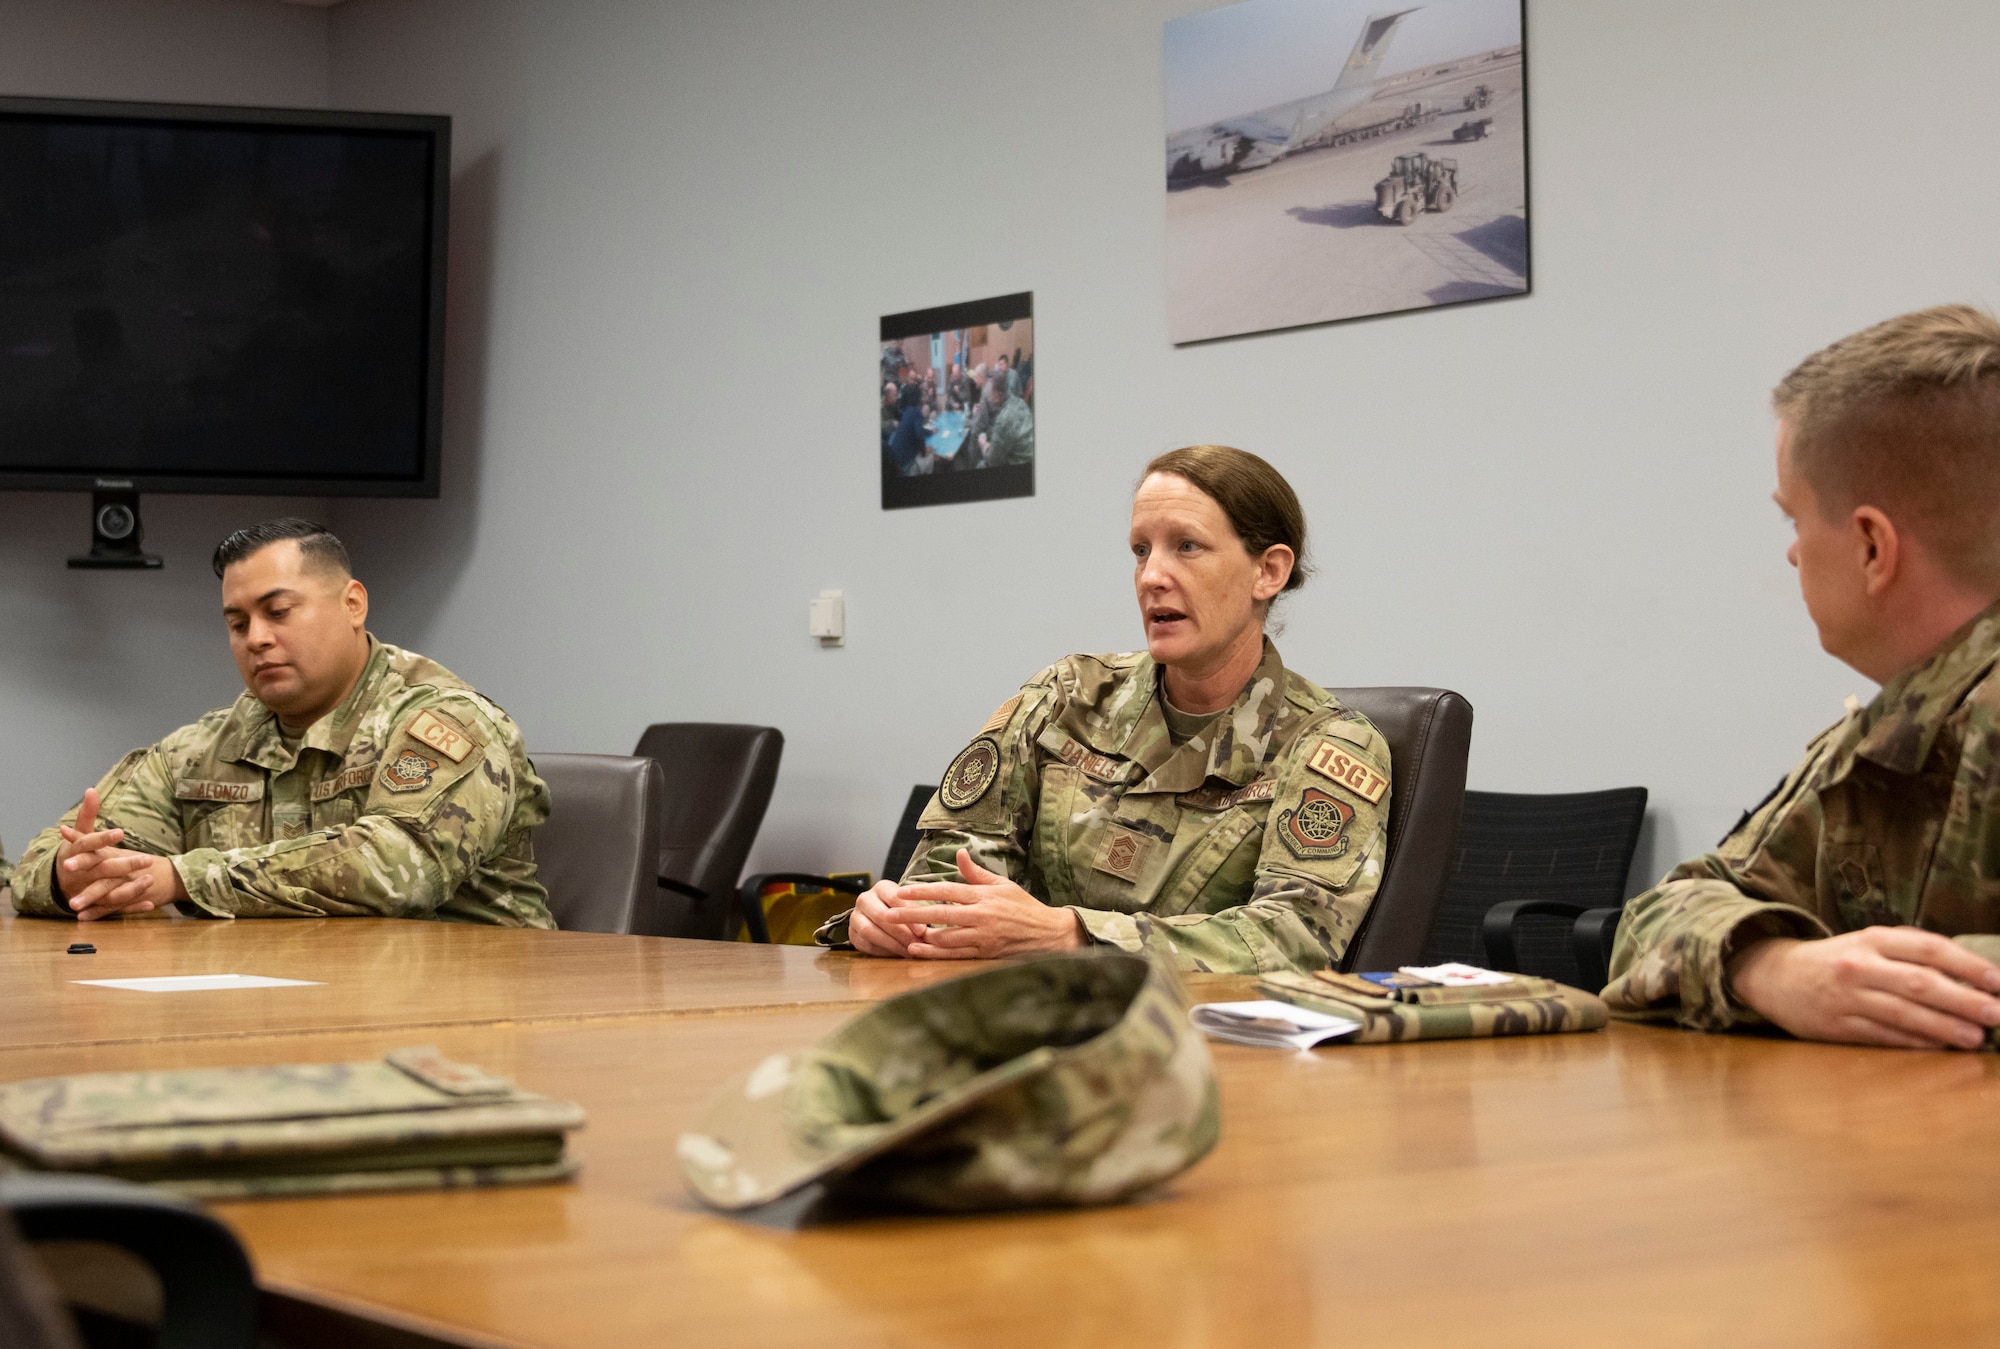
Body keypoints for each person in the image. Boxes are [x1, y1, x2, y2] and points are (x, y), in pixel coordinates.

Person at [816, 444, 1392, 973]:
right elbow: (951, 872)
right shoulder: (1064, 697)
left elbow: (1292, 939)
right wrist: (897, 919)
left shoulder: (1329, 746)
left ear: (1268, 571)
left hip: (1208, 1053)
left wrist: (1074, 935)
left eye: (1186, 547)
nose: (1152, 576)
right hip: (1021, 1031)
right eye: (1141, 550)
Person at [1604, 304, 2000, 1048]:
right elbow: (1665, 910)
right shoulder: (1895, 726)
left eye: (1795, 520)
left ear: (1871, 547)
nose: (1791, 556)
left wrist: (1914, 986)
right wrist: (1773, 965)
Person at [8, 519, 554, 927]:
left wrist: (184, 877)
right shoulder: (199, 751)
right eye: (238, 622)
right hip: (284, 1001)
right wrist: (70, 876)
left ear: (353, 603)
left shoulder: (443, 722)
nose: (256, 638)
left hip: (465, 1008)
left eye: (278, 611)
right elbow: (35, 868)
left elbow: (400, 866)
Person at [983, 374, 1035, 468]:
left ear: (996, 394)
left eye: (990, 393)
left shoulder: (1003, 420)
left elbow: (992, 461)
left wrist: (984, 446)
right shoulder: (1020, 402)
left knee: (981, 465)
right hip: (1030, 455)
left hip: (1021, 463)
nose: (990, 397)